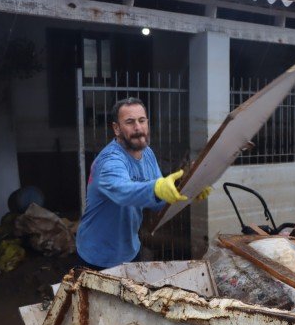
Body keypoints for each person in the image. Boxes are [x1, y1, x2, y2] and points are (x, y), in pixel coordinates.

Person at [75, 97, 209, 270]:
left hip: (130, 249)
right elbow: (123, 191)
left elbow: (156, 201)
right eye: (130, 122)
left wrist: (187, 191)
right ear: (116, 128)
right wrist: (157, 188)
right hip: (97, 255)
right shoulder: (109, 162)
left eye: (142, 120)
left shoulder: (147, 154)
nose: (138, 128)